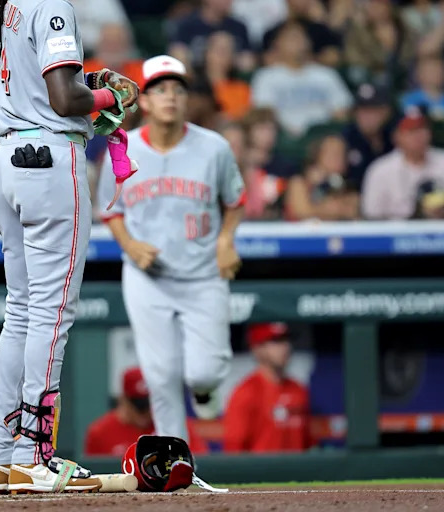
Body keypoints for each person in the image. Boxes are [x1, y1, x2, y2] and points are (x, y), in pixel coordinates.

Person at [0, 0, 138, 495]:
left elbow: (52, 89)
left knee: (20, 310)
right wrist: (112, 95)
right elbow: (68, 101)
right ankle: (36, 454)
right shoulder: (49, 2)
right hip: (50, 161)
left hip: (6, 159)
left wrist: (87, 87)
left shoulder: (8, 3)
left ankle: (1, 452)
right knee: (50, 311)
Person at [99, 55, 244, 447]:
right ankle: (175, 461)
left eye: (178, 89)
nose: (170, 97)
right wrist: (129, 244)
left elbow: (235, 200)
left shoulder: (214, 148)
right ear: (143, 101)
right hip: (149, 278)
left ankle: (205, 388)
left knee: (203, 373)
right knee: (160, 375)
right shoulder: (121, 146)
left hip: (203, 274)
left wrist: (226, 240)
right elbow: (110, 211)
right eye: (160, 89)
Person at [361, 108, 444, 220]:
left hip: (443, 231)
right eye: (411, 131)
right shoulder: (380, 169)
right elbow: (371, 216)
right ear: (397, 136)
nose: (418, 137)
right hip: (396, 232)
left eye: (422, 130)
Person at [251, 22, 352, 138]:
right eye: (291, 37)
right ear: (278, 44)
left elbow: (341, 111)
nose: (297, 41)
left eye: (300, 37)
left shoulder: (326, 74)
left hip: (324, 137)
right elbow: (265, 115)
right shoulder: (266, 77)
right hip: (285, 140)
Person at [223, 323, 312, 453]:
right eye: (276, 341)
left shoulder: (298, 390)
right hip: (261, 472)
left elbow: (307, 444)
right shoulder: (246, 392)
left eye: (286, 340)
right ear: (257, 348)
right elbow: (234, 450)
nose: (285, 347)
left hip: (297, 471)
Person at [83, 367, 154, 457]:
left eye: (148, 405)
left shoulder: (164, 427)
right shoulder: (100, 432)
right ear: (123, 400)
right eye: (139, 406)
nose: (145, 411)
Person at [286, 135, 359, 221]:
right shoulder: (299, 183)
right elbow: (302, 212)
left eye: (341, 153)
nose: (337, 158)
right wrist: (329, 210)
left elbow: (353, 211)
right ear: (318, 155)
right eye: (332, 153)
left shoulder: (349, 187)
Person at [343, 84, 394, 187]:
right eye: (362, 111)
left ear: (385, 112)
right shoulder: (345, 140)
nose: (367, 117)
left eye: (373, 111)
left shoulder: (395, 138)